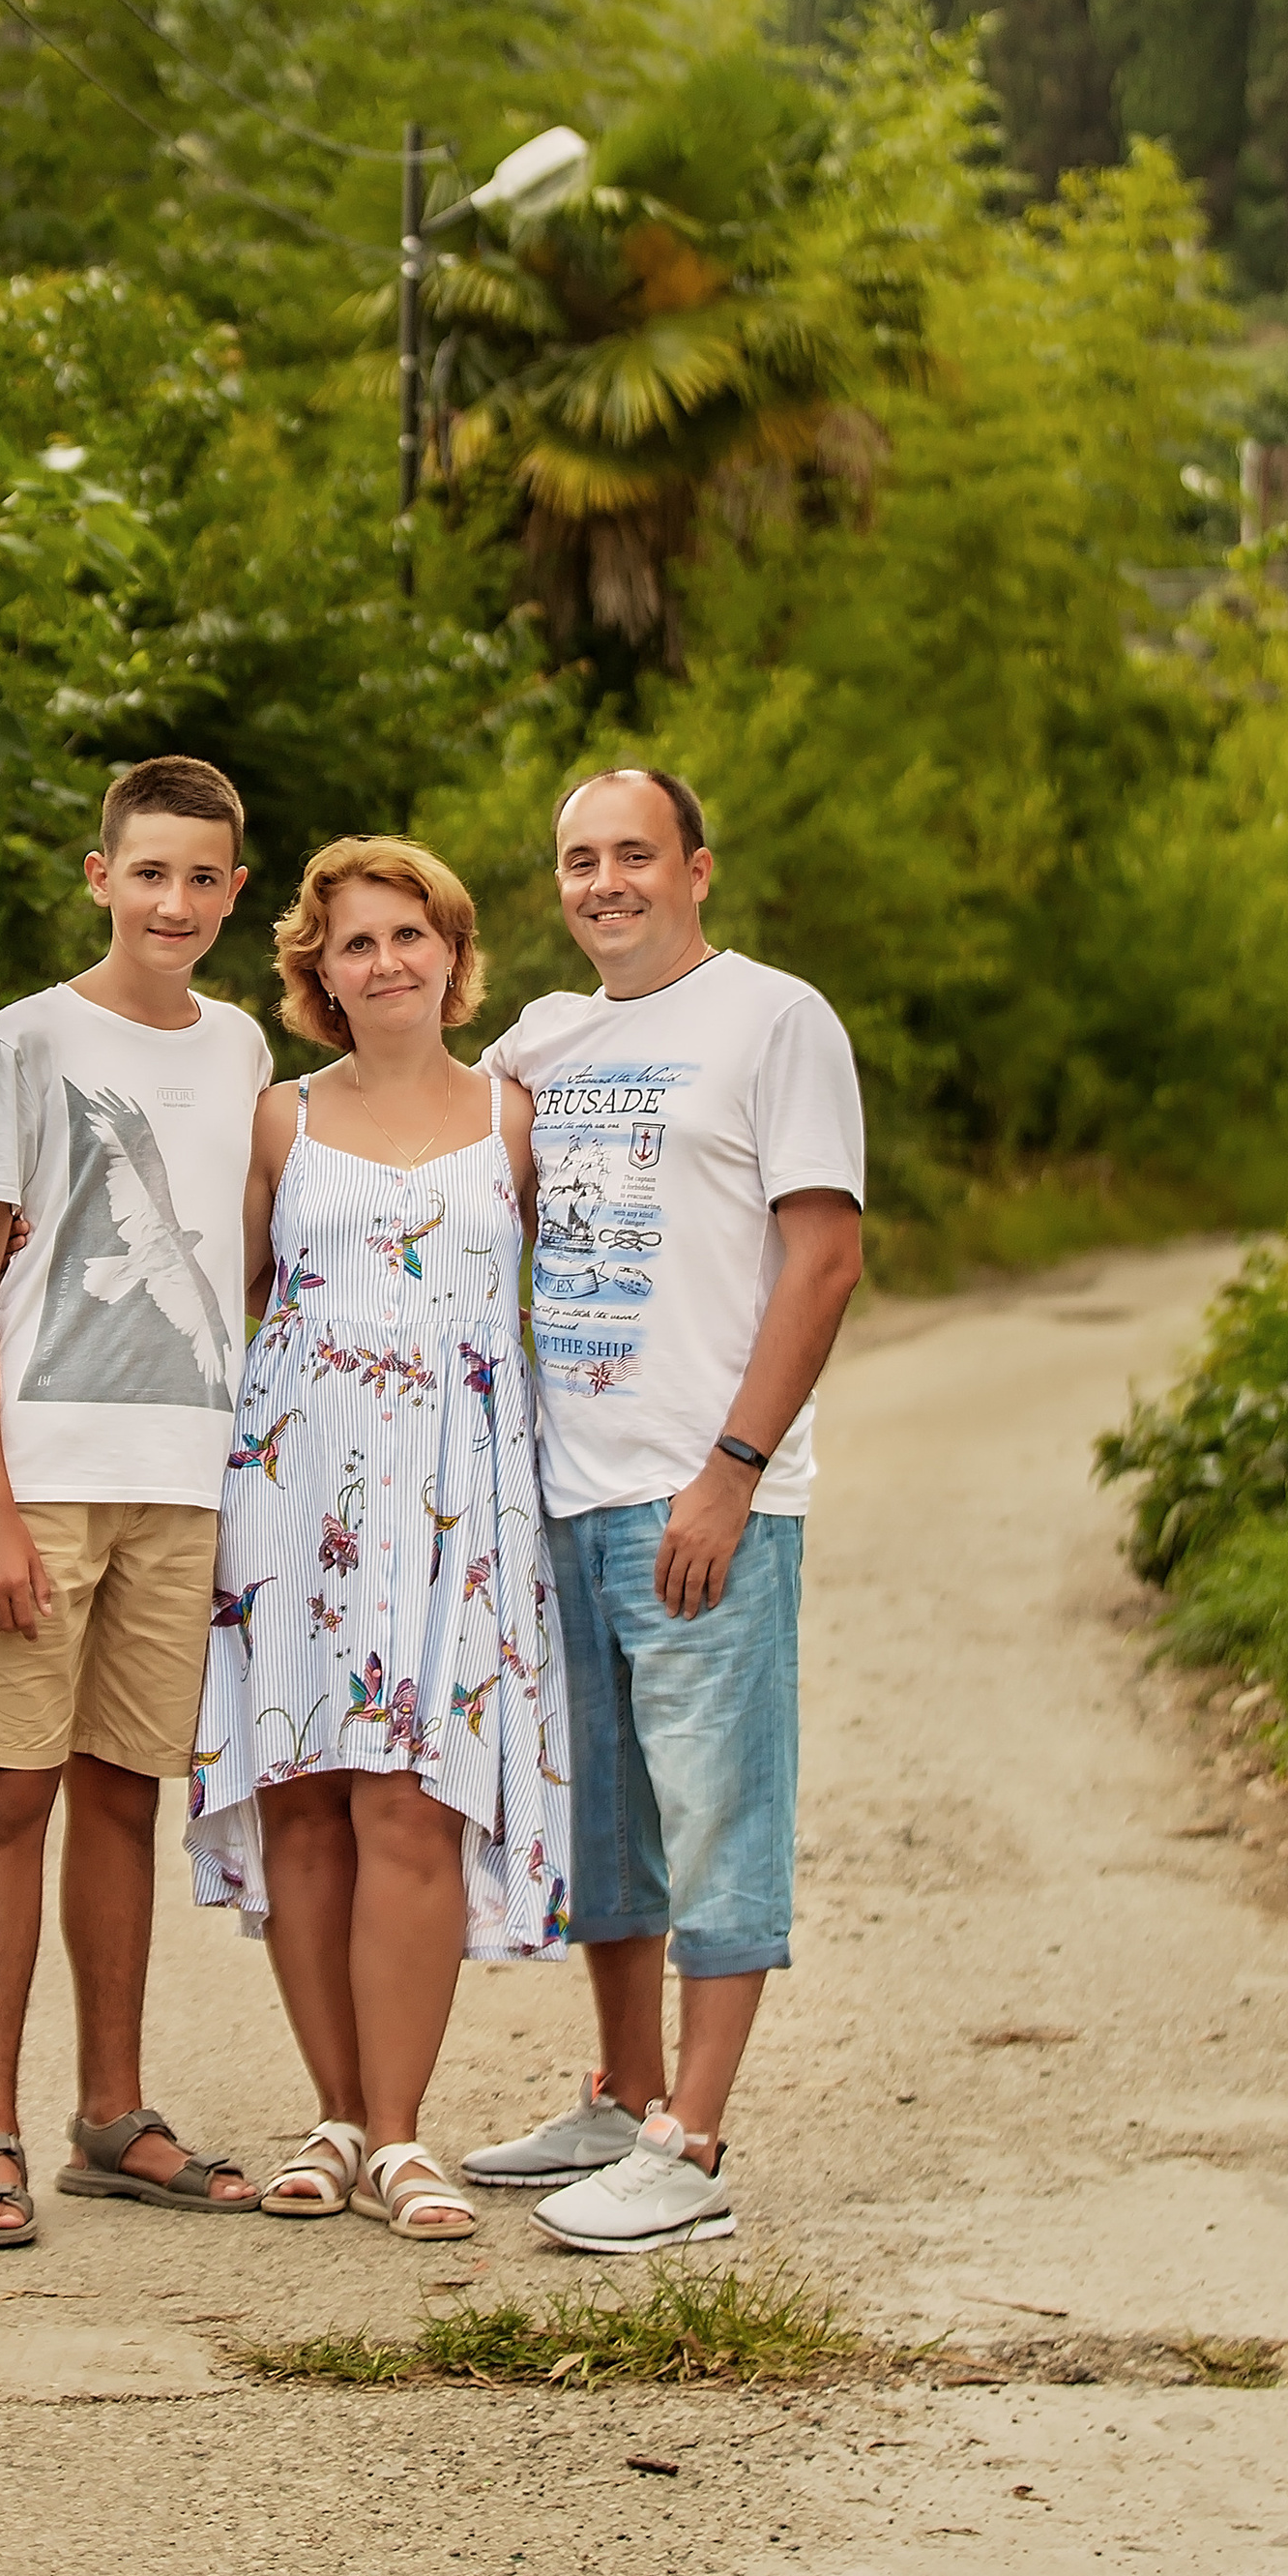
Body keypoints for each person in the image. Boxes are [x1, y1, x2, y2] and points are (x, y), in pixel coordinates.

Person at [463, 767, 864, 2255]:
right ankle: (623, 2091)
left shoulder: (776, 1018)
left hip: (707, 1496)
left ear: (698, 866)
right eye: (579, 858)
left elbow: (822, 1258)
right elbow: (414, 1157)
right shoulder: (545, 1040)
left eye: (635, 852)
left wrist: (735, 1468)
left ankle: (690, 2145)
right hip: (564, 1493)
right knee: (607, 1825)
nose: (605, 879)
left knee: (717, 1816)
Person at [0, 756, 272, 2250]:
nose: (173, 902)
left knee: (127, 1796)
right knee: (9, 1795)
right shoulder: (29, 1041)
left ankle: (110, 2118)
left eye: (201, 878)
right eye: (148, 874)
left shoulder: (245, 1048)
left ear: (235, 891)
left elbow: (248, 1259)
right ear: (99, 875)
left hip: (179, 1487)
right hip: (39, 1480)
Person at [188, 836, 566, 2241]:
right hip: (296, 1499)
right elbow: (220, 1292)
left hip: (457, 1501)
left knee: (411, 1803)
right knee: (305, 1796)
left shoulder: (516, 1118)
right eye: (357, 942)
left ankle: (404, 2137)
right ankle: (335, 2116)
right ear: (319, 974)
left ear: (456, 959)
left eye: (411, 935)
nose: (387, 960)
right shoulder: (279, 1123)